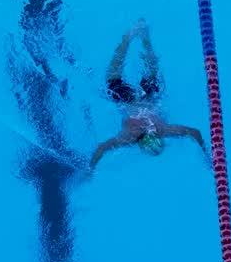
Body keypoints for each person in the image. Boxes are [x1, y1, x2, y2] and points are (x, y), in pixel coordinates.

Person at [89, 20, 207, 171]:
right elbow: (101, 148)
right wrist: (90, 169)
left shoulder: (163, 130)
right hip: (128, 100)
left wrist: (205, 151)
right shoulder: (128, 139)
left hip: (148, 98)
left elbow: (195, 132)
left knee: (151, 71)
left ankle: (143, 36)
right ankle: (128, 38)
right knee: (113, 76)